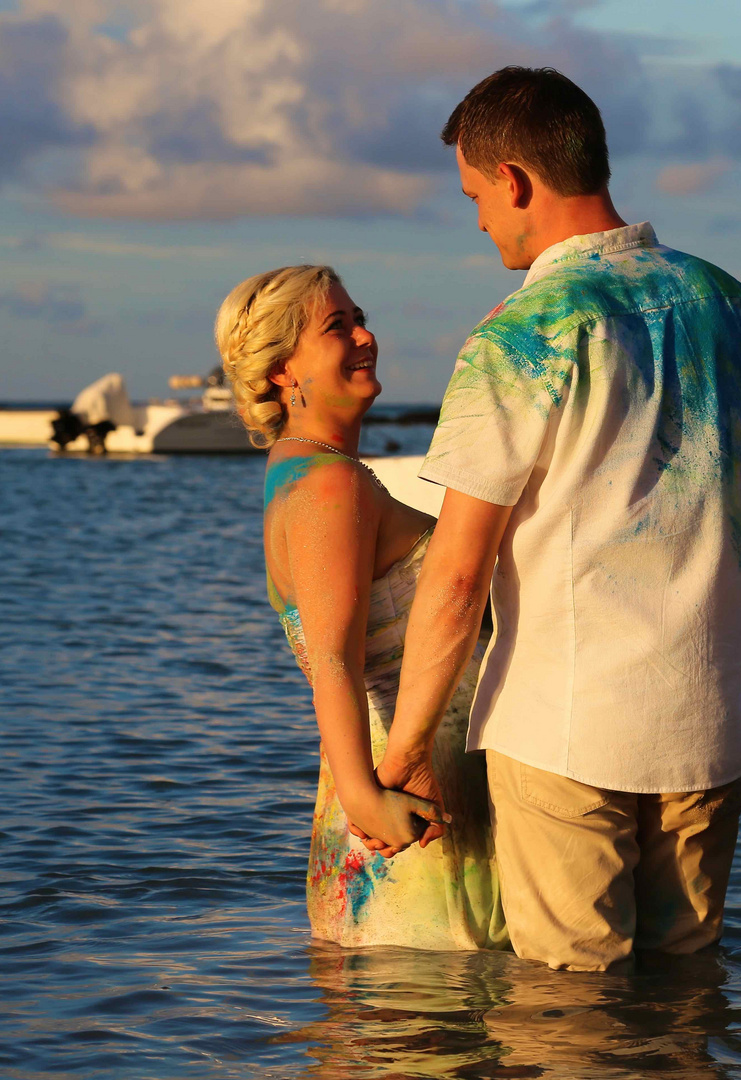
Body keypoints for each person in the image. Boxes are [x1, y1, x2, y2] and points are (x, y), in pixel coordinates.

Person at [374, 67, 741, 971]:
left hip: (567, 734)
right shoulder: (731, 306)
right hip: (710, 727)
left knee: (571, 1014)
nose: (479, 219)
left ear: (516, 179)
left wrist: (403, 750)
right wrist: (725, 673)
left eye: (476, 196)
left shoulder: (525, 332)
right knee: (684, 1001)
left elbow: (455, 576)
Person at [216, 264, 505, 951]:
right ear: (285, 369)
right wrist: (367, 798)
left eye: (360, 317)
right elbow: (334, 660)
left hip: (390, 799)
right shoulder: (327, 486)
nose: (365, 336)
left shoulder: (303, 470)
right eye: (337, 327)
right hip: (405, 812)